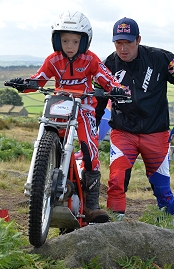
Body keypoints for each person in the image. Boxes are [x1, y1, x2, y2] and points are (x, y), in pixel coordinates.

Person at [9, 11, 123, 224]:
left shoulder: (91, 59)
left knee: (90, 150)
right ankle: (40, 184)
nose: (69, 45)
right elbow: (39, 79)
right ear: (56, 40)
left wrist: (118, 89)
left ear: (83, 41)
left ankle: (91, 206)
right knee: (46, 138)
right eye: (65, 40)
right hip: (59, 106)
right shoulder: (53, 60)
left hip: (85, 109)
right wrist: (24, 84)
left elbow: (105, 77)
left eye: (74, 41)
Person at [97, 17, 174, 221]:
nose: (123, 49)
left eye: (128, 43)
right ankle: (114, 227)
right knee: (116, 180)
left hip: (156, 132)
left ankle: (171, 225)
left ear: (138, 39)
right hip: (123, 131)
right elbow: (98, 98)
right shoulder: (108, 65)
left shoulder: (161, 58)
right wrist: (92, 126)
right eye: (118, 43)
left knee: (161, 187)